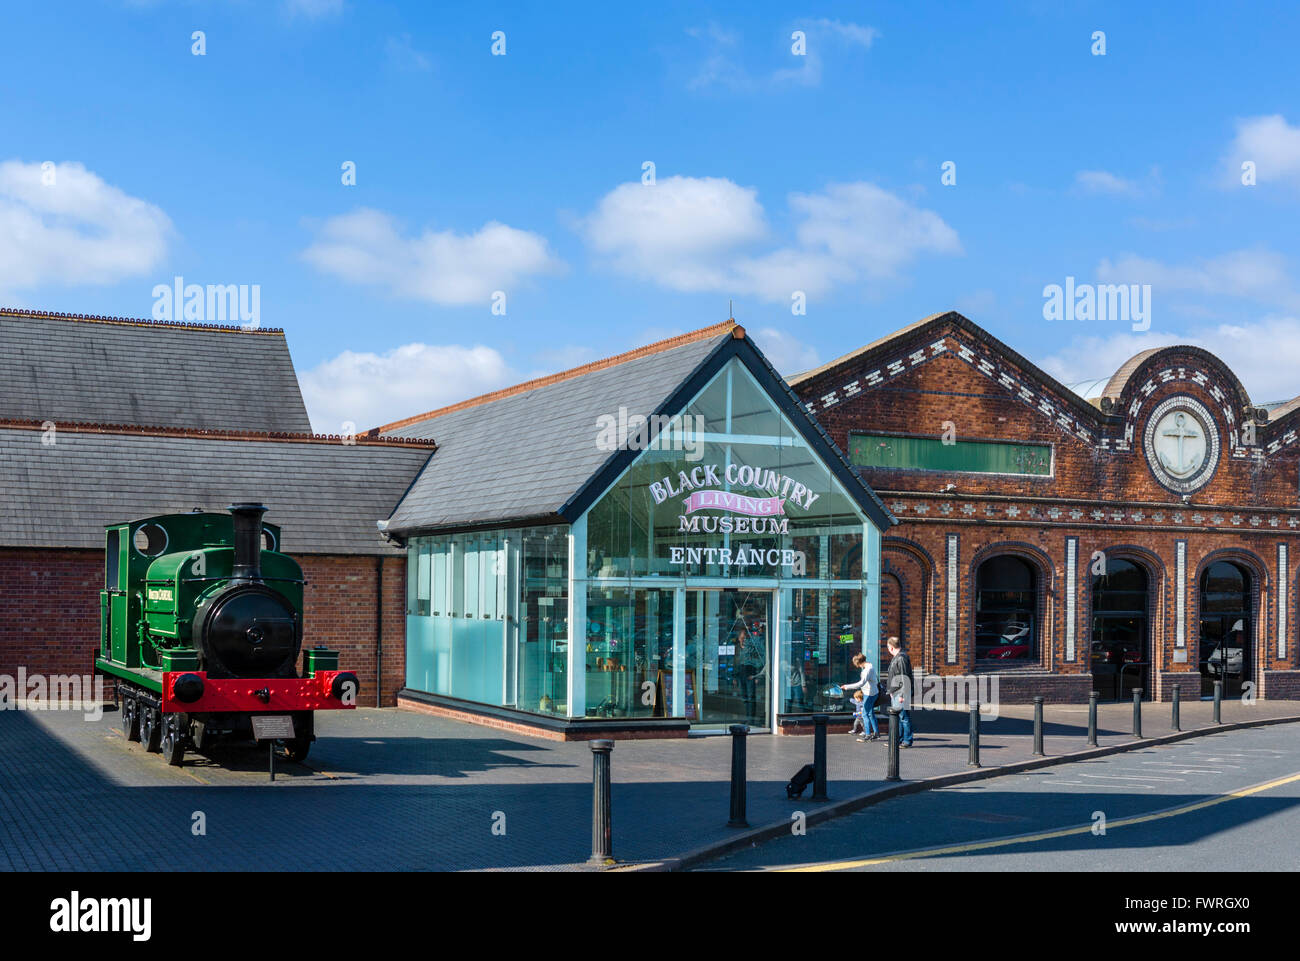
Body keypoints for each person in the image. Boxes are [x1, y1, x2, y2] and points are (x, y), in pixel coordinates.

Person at [841, 652, 879, 740]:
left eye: (857, 665)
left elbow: (860, 683)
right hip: (872, 693)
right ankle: (876, 733)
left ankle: (868, 734)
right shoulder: (869, 666)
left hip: (869, 694)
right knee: (870, 713)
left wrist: (846, 686)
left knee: (865, 714)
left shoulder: (867, 670)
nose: (858, 667)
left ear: (859, 663)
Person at [885, 636, 914, 747]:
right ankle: (898, 740)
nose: (888, 650)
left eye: (888, 647)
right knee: (898, 717)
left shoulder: (900, 658)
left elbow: (904, 677)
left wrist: (902, 694)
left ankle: (907, 740)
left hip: (900, 693)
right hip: (896, 692)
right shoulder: (898, 657)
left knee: (903, 717)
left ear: (891, 647)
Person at [735, 628, 767, 724]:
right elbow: (735, 662)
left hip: (750, 673)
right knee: (744, 697)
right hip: (741, 674)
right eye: (742, 637)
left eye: (745, 637)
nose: (743, 639)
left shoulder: (751, 647)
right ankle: (747, 716)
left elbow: (760, 658)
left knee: (751, 697)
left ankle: (751, 719)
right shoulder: (738, 648)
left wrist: (756, 675)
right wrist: (734, 676)